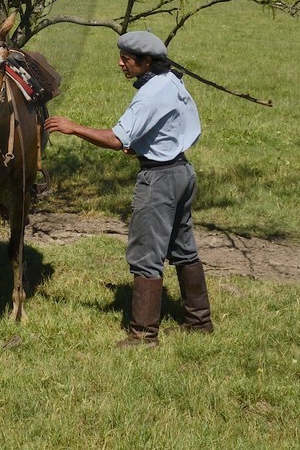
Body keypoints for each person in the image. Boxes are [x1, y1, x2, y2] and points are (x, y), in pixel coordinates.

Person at [44, 30, 213, 346]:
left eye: (126, 59)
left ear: (146, 62)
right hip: (182, 171)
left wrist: (73, 127)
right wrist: (147, 143)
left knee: (147, 254)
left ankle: (144, 335)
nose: (120, 63)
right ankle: (199, 321)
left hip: (159, 181)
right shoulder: (173, 82)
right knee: (183, 248)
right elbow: (184, 125)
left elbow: (115, 139)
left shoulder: (149, 94)